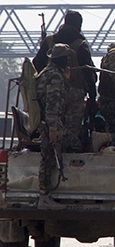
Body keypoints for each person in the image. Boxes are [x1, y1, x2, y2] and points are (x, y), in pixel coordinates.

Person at [32, 10, 97, 152]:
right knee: (72, 130)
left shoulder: (49, 41)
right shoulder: (81, 44)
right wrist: (92, 96)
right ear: (79, 25)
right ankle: (68, 154)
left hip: (50, 91)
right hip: (75, 93)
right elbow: (89, 72)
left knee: (50, 126)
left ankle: (50, 153)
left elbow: (36, 63)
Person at [35, 44, 72, 209]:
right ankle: (44, 196)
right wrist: (53, 128)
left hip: (47, 122)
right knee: (48, 158)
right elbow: (53, 102)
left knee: (48, 158)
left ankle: (45, 195)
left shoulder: (46, 73)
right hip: (50, 123)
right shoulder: (54, 76)